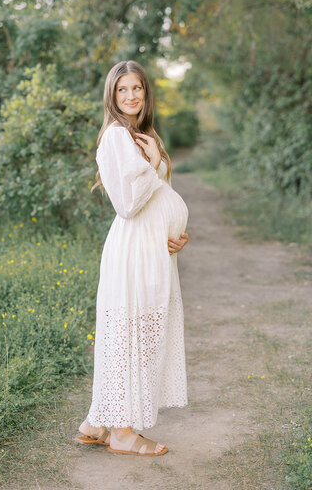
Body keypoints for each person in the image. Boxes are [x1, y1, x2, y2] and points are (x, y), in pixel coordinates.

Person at [74, 60, 189, 456]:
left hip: (154, 248)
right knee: (130, 337)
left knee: (135, 336)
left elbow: (161, 194)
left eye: (136, 88)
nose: (130, 96)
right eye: (122, 90)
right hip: (133, 250)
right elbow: (127, 204)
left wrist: (178, 234)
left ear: (146, 92)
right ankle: (122, 433)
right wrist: (155, 160)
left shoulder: (142, 134)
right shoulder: (116, 138)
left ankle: (97, 422)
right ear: (112, 95)